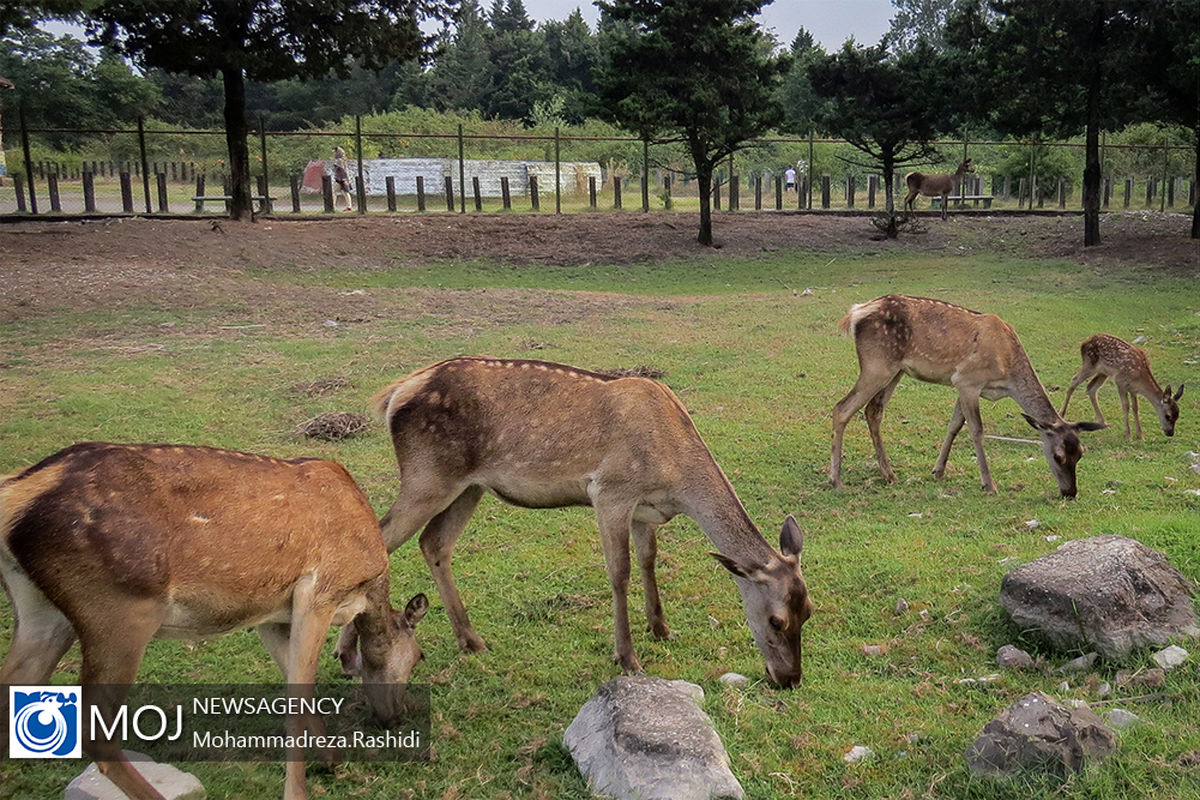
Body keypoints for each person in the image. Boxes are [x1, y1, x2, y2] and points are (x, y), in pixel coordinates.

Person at [332, 146, 353, 211]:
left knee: (339, 192)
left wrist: (344, 179)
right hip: (340, 179)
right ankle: (348, 206)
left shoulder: (340, 161)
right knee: (344, 192)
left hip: (341, 179)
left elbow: (342, 170)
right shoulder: (343, 160)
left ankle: (333, 205)